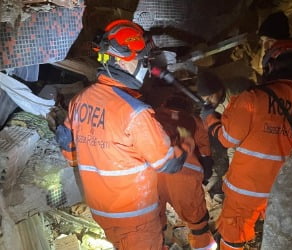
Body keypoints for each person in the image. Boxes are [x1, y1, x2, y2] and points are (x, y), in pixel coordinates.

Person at [55, 19, 193, 250]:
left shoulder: (80, 100)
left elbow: (70, 153)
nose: (146, 67)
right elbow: (168, 164)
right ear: (122, 59)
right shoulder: (135, 113)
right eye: (142, 61)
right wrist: (185, 139)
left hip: (103, 212)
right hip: (135, 219)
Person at [200, 24, 292, 250]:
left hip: (246, 190)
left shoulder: (252, 99)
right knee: (276, 235)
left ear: (269, 65)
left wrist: (210, 119)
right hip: (282, 190)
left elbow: (228, 138)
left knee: (232, 235)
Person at [155, 94, 217, 250]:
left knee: (156, 222)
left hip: (153, 176)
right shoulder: (193, 121)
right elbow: (205, 151)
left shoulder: (153, 116)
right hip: (183, 177)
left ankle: (162, 244)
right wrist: (205, 171)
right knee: (198, 222)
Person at [196, 72, 254, 199]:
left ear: (219, 89)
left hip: (250, 126)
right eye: (204, 99)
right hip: (233, 131)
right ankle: (236, 187)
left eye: (210, 97)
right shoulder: (210, 102)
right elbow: (203, 125)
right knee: (233, 155)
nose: (208, 102)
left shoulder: (237, 91)